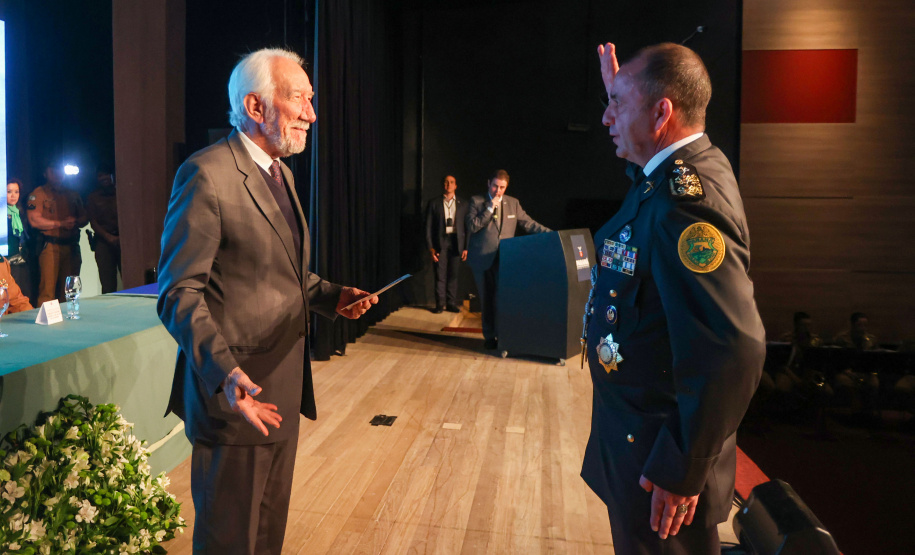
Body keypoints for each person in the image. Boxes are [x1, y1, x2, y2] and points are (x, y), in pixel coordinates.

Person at [157, 48, 377, 555]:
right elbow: (178, 293)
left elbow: (283, 274)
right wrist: (225, 373)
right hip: (234, 401)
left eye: (311, 99)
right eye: (299, 98)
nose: (311, 113)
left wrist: (331, 296)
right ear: (256, 107)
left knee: (266, 540)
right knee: (229, 543)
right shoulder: (206, 175)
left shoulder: (283, 174)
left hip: (281, 393)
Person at [580, 42, 765, 554]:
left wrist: (682, 465)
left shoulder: (688, 203)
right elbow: (649, 189)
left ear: (662, 112)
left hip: (661, 472)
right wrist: (623, 96)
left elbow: (734, 347)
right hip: (641, 447)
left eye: (616, 102)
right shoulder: (668, 177)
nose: (605, 117)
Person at [465, 169, 550, 349]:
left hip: (506, 259)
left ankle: (505, 336)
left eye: (502, 187)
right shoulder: (477, 201)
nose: (498, 191)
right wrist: (490, 208)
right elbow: (472, 226)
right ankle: (489, 337)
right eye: (495, 186)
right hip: (482, 259)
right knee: (487, 299)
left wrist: (552, 235)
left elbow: (528, 223)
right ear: (489, 183)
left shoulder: (513, 203)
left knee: (504, 299)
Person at [26, 162, 88, 305]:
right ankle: (46, 322)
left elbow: (85, 216)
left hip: (71, 246)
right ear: (45, 174)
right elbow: (34, 220)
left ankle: (70, 318)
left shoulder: (72, 194)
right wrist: (60, 224)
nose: (57, 174)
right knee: (47, 290)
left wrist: (76, 221)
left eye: (59, 171)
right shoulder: (38, 194)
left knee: (70, 289)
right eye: (53, 171)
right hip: (50, 246)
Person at [425, 174, 468, 313]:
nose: (448, 184)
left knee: (453, 274)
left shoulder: (463, 204)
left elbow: (467, 228)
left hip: (456, 241)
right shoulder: (434, 203)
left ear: (456, 186)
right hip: (441, 241)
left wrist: (466, 247)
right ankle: (440, 304)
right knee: (440, 274)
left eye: (451, 182)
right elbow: (428, 227)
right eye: (446, 182)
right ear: (443, 185)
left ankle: (451, 303)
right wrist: (431, 248)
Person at [86, 164, 121, 293]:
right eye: (101, 175)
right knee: (107, 284)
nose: (104, 178)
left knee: (131, 280)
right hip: (103, 242)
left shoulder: (122, 193)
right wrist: (108, 237)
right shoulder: (93, 197)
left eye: (107, 174)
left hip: (124, 240)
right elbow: (93, 222)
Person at [6, 178, 32, 302]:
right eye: (9, 191)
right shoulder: (2, 214)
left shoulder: (19, 212)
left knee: (23, 295)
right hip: (6, 262)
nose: (13, 195)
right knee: (8, 297)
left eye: (16, 192)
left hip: (21, 261)